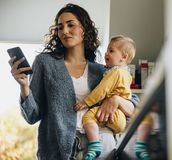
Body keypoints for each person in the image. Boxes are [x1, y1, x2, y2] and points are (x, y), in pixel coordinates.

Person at [8, 3, 138, 160]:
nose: (65, 31)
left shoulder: (103, 70)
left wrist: (116, 99)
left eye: (71, 25)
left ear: (84, 29)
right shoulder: (45, 63)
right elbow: (32, 116)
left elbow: (134, 109)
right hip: (57, 150)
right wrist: (24, 87)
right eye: (60, 27)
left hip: (102, 148)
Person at [74, 35, 136, 160]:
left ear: (124, 57)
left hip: (114, 115)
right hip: (119, 119)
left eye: (111, 51)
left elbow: (102, 90)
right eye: (107, 50)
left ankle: (95, 145)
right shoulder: (126, 74)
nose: (106, 53)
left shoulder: (115, 72)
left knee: (88, 117)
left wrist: (86, 102)